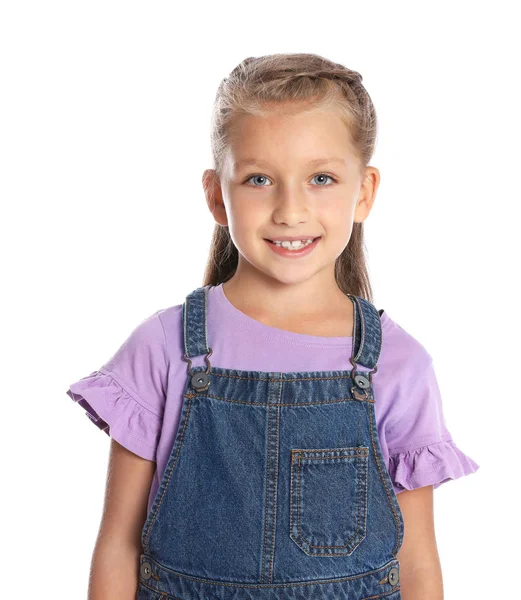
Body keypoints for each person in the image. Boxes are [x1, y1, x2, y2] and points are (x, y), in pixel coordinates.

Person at [66, 52, 479, 600]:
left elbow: (418, 562)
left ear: (364, 192)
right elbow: (119, 546)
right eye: (259, 178)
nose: (290, 209)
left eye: (321, 178)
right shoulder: (163, 348)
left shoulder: (398, 364)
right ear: (217, 193)